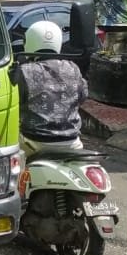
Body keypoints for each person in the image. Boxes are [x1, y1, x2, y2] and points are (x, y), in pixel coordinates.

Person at [17, 20, 88, 155]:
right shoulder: (72, 67)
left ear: (29, 42)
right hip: (71, 142)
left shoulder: (24, 71)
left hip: (35, 141)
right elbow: (83, 95)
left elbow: (15, 101)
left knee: (11, 162)